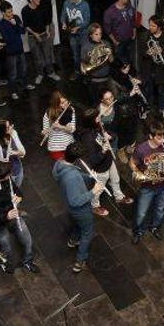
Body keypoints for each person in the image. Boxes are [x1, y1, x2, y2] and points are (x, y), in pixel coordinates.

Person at [0, 161, 39, 274]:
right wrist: (6, 216)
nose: (10, 176)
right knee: (6, 247)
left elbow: (17, 191)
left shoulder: (7, 180)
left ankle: (27, 261)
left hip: (14, 216)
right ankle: (4, 262)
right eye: (8, 175)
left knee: (27, 240)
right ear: (1, 178)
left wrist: (19, 197)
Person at [53, 143, 106, 273]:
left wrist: (88, 177)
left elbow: (74, 176)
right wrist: (93, 191)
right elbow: (75, 201)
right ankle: (80, 260)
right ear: (77, 159)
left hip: (69, 207)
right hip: (80, 210)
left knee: (78, 225)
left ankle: (73, 240)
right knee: (87, 231)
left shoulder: (59, 163)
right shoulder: (72, 176)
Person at [74, 108, 132, 217]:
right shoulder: (87, 138)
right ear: (91, 121)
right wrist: (103, 151)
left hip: (108, 159)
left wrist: (110, 137)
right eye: (97, 117)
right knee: (99, 188)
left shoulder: (97, 127)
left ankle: (119, 197)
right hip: (100, 167)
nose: (99, 119)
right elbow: (93, 160)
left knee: (116, 179)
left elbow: (109, 134)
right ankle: (94, 205)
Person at [131, 121, 164, 245]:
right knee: (141, 212)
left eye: (163, 136)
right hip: (147, 187)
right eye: (159, 137)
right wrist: (137, 172)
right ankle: (138, 231)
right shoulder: (141, 149)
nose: (162, 139)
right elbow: (132, 162)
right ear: (151, 136)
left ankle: (155, 227)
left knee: (160, 209)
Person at [0, 1, 34, 101]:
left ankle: (25, 84)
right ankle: (13, 91)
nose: (11, 13)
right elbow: (8, 39)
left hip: (20, 49)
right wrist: (14, 27)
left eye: (11, 11)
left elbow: (23, 31)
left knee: (24, 68)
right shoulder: (2, 24)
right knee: (12, 73)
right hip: (10, 52)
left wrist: (16, 25)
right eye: (8, 12)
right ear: (3, 12)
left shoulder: (16, 18)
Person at [22, 0, 60, 85]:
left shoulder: (42, 7)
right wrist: (35, 34)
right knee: (37, 57)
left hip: (44, 35)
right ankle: (40, 74)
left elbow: (46, 21)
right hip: (32, 37)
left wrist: (47, 31)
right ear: (31, 0)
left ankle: (51, 72)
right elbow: (26, 26)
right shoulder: (25, 10)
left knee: (48, 56)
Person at [141, 16, 164, 119]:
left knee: (161, 91)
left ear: (159, 27)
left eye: (153, 25)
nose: (150, 27)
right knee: (148, 90)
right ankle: (147, 108)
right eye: (150, 25)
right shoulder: (146, 36)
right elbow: (141, 52)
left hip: (161, 69)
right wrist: (148, 52)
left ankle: (163, 108)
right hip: (149, 68)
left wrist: (161, 51)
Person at [60, 0, 92, 77]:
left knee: (85, 54)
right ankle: (77, 72)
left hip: (83, 34)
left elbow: (87, 20)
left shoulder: (85, 5)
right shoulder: (66, 3)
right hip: (72, 34)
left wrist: (78, 27)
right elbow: (63, 15)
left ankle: (87, 73)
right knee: (75, 55)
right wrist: (63, 23)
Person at [80, 23, 116, 99]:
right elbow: (83, 62)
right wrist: (83, 68)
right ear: (90, 35)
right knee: (97, 103)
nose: (99, 36)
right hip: (94, 80)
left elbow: (112, 60)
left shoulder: (106, 43)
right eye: (96, 34)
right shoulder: (86, 47)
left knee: (111, 99)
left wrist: (109, 54)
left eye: (100, 34)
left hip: (107, 78)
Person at [103, 0, 136, 66]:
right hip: (119, 41)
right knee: (121, 59)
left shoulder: (129, 7)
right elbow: (107, 29)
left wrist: (134, 33)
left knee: (129, 56)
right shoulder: (110, 12)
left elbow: (133, 20)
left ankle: (130, 70)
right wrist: (115, 41)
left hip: (130, 38)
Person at [0, 119, 25, 187]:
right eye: (8, 127)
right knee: (10, 191)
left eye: (10, 125)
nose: (11, 127)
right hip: (7, 176)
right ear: (1, 131)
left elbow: (23, 152)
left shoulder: (13, 133)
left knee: (17, 187)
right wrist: (3, 161)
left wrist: (16, 153)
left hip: (18, 169)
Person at [42, 90, 77, 160]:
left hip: (69, 145)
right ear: (56, 104)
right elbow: (44, 130)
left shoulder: (71, 110)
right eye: (62, 103)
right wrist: (44, 132)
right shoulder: (49, 113)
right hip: (55, 148)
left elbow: (72, 130)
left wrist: (60, 127)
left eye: (66, 101)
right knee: (63, 167)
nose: (65, 104)